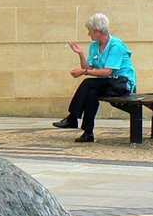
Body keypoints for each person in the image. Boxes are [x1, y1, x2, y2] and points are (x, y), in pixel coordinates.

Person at [52, 13, 136, 143]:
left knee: (87, 82)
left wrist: (83, 72)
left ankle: (72, 117)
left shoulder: (116, 46)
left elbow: (108, 71)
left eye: (89, 31)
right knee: (91, 93)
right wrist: (80, 54)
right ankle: (88, 132)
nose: (88, 34)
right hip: (107, 83)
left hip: (122, 83)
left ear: (97, 31)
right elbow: (89, 67)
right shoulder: (94, 46)